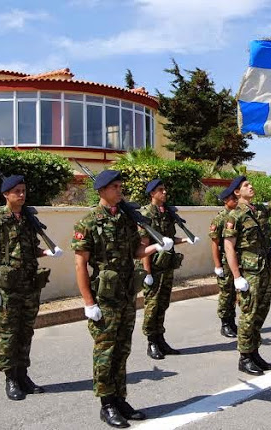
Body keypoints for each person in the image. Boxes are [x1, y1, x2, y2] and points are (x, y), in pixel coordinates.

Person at [71, 170, 173, 428]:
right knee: (106, 351)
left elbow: (136, 251)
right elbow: (80, 265)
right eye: (115, 186)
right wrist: (88, 303)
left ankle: (120, 399)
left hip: (127, 293)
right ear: (102, 190)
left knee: (123, 350)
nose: (120, 190)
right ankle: (107, 404)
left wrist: (156, 246)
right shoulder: (88, 223)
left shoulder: (126, 219)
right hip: (104, 298)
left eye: (120, 186)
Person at [0, 174, 63, 401]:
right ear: (6, 194)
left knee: (26, 331)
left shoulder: (28, 219)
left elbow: (30, 249)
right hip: (8, 288)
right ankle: (10, 378)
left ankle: (23, 375)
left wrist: (47, 252)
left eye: (24, 190)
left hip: (29, 285)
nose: (21, 194)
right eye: (17, 191)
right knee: (9, 334)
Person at [223, 176, 271, 375]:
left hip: (264, 269)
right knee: (248, 314)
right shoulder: (234, 216)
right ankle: (244, 357)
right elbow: (229, 247)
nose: (251, 186)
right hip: (249, 271)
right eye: (246, 185)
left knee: (261, 311)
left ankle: (254, 352)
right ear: (237, 192)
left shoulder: (259, 210)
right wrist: (237, 277)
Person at [140, 179, 200, 360]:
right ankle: (151, 341)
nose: (165, 192)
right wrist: (147, 273)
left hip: (166, 266)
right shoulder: (145, 214)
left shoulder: (167, 213)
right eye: (160, 190)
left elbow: (170, 238)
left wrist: (186, 240)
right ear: (152, 194)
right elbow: (144, 246)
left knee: (163, 303)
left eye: (165, 189)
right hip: (154, 268)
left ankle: (160, 338)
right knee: (152, 305)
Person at [209, 183, 240, 338]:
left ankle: (232, 321)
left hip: (235, 260)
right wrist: (217, 265)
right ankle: (225, 323)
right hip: (224, 261)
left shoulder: (237, 215)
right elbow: (214, 244)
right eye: (233, 199)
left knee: (234, 293)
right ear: (225, 200)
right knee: (226, 293)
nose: (235, 201)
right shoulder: (220, 219)